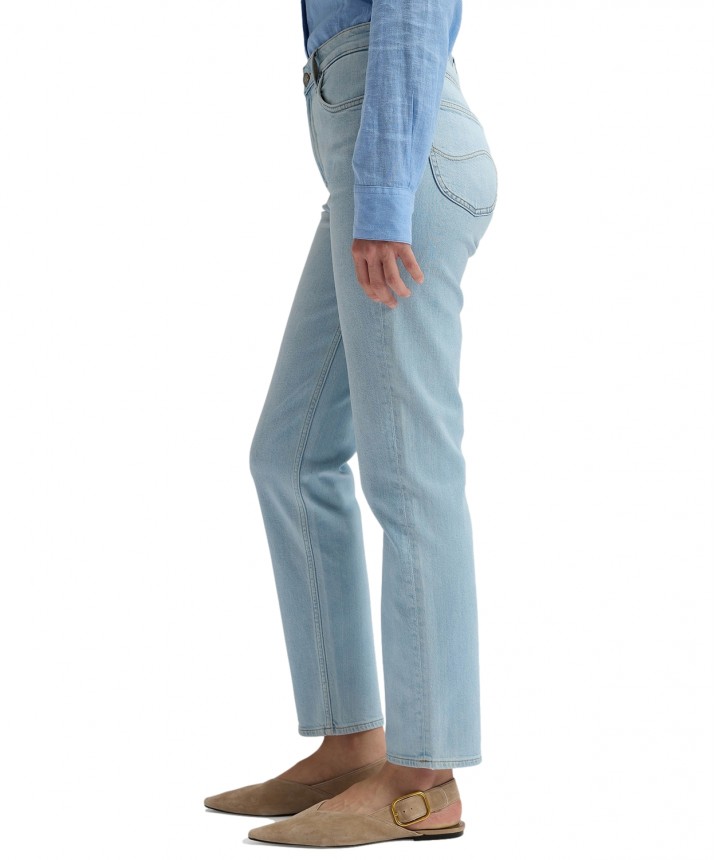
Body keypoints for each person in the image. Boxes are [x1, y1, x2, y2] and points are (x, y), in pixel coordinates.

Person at [204, 0, 497, 847]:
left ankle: (423, 780)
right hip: (370, 159)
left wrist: (383, 197)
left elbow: (411, 13)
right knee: (290, 457)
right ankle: (351, 744)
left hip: (399, 158)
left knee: (410, 474)